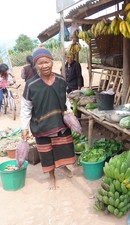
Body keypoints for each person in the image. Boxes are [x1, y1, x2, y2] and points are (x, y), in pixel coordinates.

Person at [20, 47, 75, 190]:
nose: (44, 65)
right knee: (47, 154)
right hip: (41, 125)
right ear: (35, 65)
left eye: (47, 62)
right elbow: (26, 107)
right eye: (40, 63)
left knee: (62, 149)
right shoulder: (31, 84)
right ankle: (52, 176)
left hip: (60, 122)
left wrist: (69, 112)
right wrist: (24, 127)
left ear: (52, 61)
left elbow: (65, 99)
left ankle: (62, 166)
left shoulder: (61, 80)